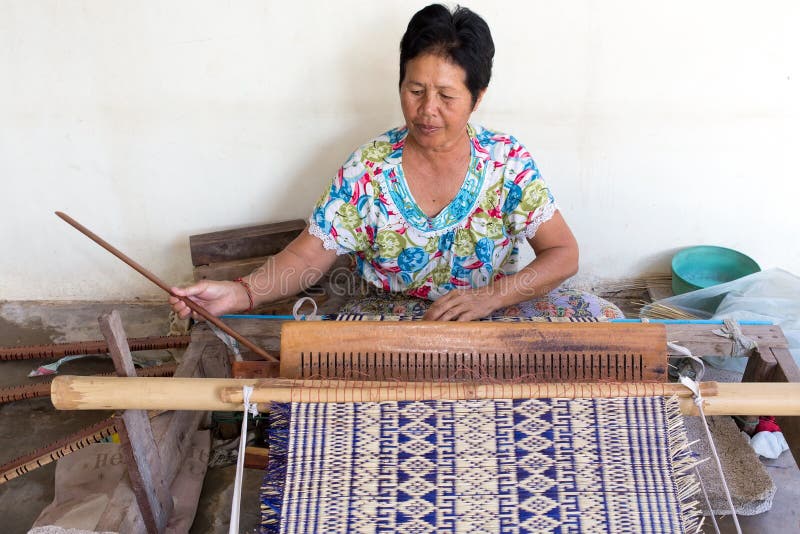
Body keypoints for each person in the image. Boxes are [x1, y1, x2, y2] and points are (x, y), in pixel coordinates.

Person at [170, 4, 622, 322]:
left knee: (600, 328)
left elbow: (563, 254)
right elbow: (309, 254)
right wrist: (240, 292)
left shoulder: (507, 164)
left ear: (477, 97)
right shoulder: (367, 170)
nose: (427, 110)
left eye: (446, 96)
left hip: (487, 317)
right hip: (388, 324)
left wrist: (491, 297)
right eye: (415, 90)